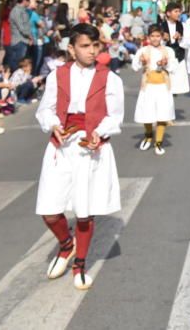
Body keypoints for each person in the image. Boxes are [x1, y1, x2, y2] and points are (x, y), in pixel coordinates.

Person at [34, 23, 124, 290]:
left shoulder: (110, 78)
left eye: (95, 46)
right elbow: (46, 109)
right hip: (62, 145)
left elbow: (114, 116)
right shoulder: (57, 76)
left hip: (90, 147)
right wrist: (53, 124)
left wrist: (100, 132)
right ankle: (66, 243)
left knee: (84, 211)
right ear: (71, 49)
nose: (91, 51)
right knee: (49, 209)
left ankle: (80, 263)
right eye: (85, 46)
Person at [132, 26, 177, 156]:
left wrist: (165, 63)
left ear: (162, 37)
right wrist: (142, 62)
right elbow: (135, 67)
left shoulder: (168, 51)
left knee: (163, 114)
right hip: (148, 86)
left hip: (163, 86)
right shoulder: (143, 50)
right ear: (148, 37)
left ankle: (158, 142)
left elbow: (173, 67)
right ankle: (148, 136)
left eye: (158, 36)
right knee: (147, 113)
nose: (155, 39)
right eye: (152, 36)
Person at [158, 2, 190, 97]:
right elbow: (154, 43)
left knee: (174, 90)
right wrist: (163, 40)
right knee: (163, 90)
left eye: (179, 11)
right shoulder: (160, 26)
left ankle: (169, 110)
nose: (179, 14)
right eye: (176, 11)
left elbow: (189, 44)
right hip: (164, 59)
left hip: (178, 59)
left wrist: (180, 39)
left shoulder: (184, 26)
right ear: (168, 13)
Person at [7, 0, 34, 71]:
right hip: (19, 41)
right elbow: (22, 27)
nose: (29, 3)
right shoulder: (17, 11)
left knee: (22, 64)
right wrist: (30, 36)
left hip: (23, 41)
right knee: (18, 64)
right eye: (29, 0)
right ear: (25, 0)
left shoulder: (23, 10)